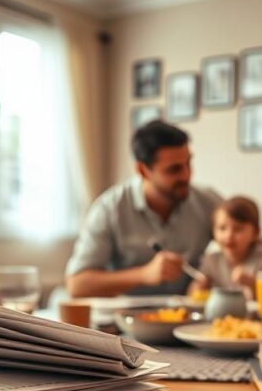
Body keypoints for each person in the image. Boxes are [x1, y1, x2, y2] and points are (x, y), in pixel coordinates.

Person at [65, 121, 221, 297]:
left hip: (192, 319)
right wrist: (143, 275)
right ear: (142, 170)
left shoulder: (208, 202)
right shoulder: (109, 209)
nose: (186, 175)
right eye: (174, 169)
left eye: (188, 164)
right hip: (124, 320)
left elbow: (251, 244)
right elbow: (77, 285)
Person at [192, 196, 262, 297]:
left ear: (255, 233)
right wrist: (199, 286)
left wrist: (252, 283)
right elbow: (193, 293)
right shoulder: (211, 260)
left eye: (238, 229)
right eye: (222, 228)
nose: (229, 236)